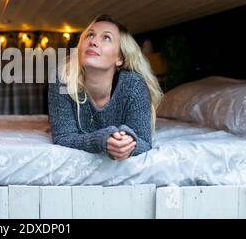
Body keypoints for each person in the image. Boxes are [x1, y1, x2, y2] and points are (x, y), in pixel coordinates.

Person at [48, 14, 163, 160]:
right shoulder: (62, 78)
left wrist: (128, 144)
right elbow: (62, 137)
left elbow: (144, 142)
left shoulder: (134, 85)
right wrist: (102, 140)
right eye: (90, 35)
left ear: (120, 58)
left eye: (106, 38)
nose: (93, 41)